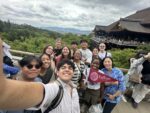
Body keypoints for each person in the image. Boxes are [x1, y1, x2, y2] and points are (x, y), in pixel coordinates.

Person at [0, 39, 80, 113]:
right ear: (58, 72)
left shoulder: (73, 90)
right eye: (30, 66)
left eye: (70, 68)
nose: (34, 69)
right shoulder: (53, 88)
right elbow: (4, 92)